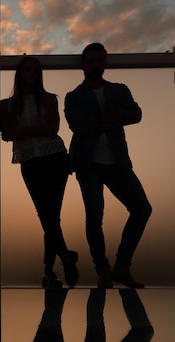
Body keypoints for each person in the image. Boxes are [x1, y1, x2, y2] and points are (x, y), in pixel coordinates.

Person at [64, 43, 152, 289]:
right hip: (88, 163)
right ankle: (103, 270)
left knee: (142, 208)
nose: (96, 64)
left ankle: (122, 266)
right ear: (83, 64)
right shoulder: (74, 96)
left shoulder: (119, 90)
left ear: (105, 63)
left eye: (100, 60)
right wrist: (113, 119)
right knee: (94, 217)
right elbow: (79, 126)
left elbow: (135, 114)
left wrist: (100, 120)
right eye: (91, 60)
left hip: (117, 162)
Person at [0, 56, 79, 288]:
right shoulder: (7, 105)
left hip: (55, 157)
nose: (31, 74)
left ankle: (49, 270)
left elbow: (52, 128)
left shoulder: (49, 99)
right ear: (20, 74)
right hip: (30, 160)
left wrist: (22, 130)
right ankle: (63, 257)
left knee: (50, 216)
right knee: (47, 215)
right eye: (27, 70)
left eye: (35, 70)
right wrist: (35, 129)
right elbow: (7, 133)